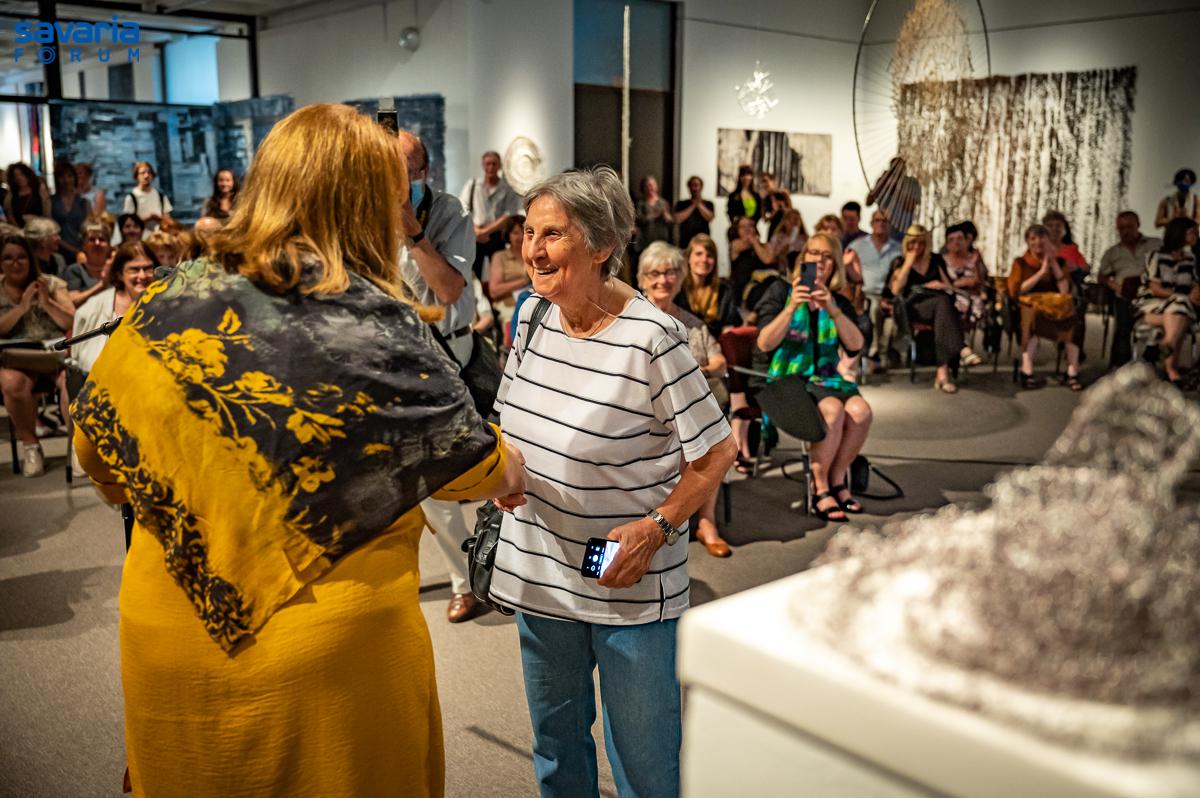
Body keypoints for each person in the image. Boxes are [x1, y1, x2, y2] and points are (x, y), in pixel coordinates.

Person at [70, 102, 527, 797]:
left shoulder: (168, 297)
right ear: (369, 204)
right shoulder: (375, 321)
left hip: (168, 633)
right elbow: (472, 463)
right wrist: (514, 468)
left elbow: (97, 453)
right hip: (329, 662)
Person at [492, 165, 736, 798]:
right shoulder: (532, 317)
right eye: (528, 232)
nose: (532, 250)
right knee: (556, 749)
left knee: (645, 767)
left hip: (624, 581)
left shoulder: (652, 339)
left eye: (552, 235)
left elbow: (717, 451)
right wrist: (500, 472)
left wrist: (657, 528)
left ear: (600, 246)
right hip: (539, 573)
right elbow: (508, 421)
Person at [395, 129, 484, 624]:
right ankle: (408, 577)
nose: (393, 182)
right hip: (389, 356)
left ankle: (465, 581)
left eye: (404, 173)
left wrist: (412, 232)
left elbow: (448, 290)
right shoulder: (363, 213)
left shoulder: (449, 213)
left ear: (423, 172)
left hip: (443, 352)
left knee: (436, 483)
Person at [755, 231, 871, 522]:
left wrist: (832, 308)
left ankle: (837, 479)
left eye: (828, 257)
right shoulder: (780, 291)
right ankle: (820, 488)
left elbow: (855, 345)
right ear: (803, 258)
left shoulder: (837, 301)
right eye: (814, 254)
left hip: (828, 379)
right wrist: (792, 306)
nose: (820, 261)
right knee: (832, 410)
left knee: (861, 411)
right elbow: (764, 343)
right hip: (788, 381)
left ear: (835, 266)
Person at [638, 241, 732, 558]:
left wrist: (699, 370)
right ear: (642, 278)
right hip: (647, 415)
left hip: (690, 414)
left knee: (709, 443)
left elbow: (719, 361)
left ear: (680, 278)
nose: (663, 280)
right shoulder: (634, 320)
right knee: (689, 442)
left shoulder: (693, 324)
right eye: (655, 273)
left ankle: (706, 521)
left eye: (670, 273)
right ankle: (664, 521)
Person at [0, 233, 75, 477]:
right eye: (8, 258)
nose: (16, 263)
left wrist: (47, 303)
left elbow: (72, 321)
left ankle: (77, 445)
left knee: (72, 379)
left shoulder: (51, 284)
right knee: (12, 381)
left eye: (21, 257)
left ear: (30, 259)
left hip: (54, 355)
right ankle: (31, 445)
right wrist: (22, 307)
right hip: (16, 359)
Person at [887, 224, 963, 393]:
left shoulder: (935, 260)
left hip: (938, 307)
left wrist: (939, 285)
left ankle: (942, 372)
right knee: (943, 305)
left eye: (921, 243)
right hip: (913, 307)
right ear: (907, 242)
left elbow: (950, 288)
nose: (917, 246)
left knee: (943, 304)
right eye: (913, 242)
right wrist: (908, 263)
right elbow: (896, 290)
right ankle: (962, 348)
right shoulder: (899, 261)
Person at [1007, 223, 1083, 391]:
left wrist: (1053, 263)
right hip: (1029, 305)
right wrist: (1041, 272)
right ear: (1028, 242)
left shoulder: (1060, 262)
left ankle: (1072, 371)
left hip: (1054, 305)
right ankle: (1027, 370)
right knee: (1032, 317)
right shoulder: (1021, 262)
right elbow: (1017, 290)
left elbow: (1064, 291)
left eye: (1042, 238)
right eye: (1033, 238)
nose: (1038, 242)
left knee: (1073, 319)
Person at [70, 241, 155, 374]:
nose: (142, 276)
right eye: (134, 269)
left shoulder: (168, 306)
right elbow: (78, 360)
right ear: (120, 274)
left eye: (148, 269)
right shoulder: (92, 309)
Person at [1134, 217, 1199, 384]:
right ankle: (1169, 368)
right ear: (1180, 234)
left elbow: (1193, 284)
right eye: (1192, 232)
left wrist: (1193, 293)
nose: (1196, 235)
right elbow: (1155, 289)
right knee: (1179, 315)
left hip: (1179, 308)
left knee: (1176, 321)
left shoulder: (1190, 259)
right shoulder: (1155, 256)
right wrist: (1181, 297)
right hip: (1154, 306)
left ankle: (1161, 360)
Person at [1098, 211, 1160, 368]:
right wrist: (1115, 286)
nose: (1125, 231)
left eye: (1129, 227)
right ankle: (1122, 363)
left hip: (1153, 293)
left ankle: (1151, 359)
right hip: (1125, 295)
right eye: (1121, 228)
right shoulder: (1112, 253)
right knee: (1123, 320)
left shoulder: (1155, 244)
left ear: (1138, 225)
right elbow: (1102, 276)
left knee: (1163, 318)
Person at [848, 209, 901, 369]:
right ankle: (874, 352)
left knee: (894, 315)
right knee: (875, 308)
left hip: (890, 295)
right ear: (871, 223)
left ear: (890, 225)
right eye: (877, 220)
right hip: (864, 295)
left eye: (884, 221)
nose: (881, 224)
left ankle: (884, 354)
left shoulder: (898, 248)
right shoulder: (857, 246)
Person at [461, 150, 523, 280]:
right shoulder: (473, 185)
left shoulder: (507, 188)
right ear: (483, 165)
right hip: (475, 235)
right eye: (488, 164)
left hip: (497, 236)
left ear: (499, 166)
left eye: (494, 164)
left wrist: (485, 231)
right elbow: (463, 208)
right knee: (472, 273)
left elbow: (509, 215)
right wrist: (476, 230)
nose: (491, 167)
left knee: (498, 272)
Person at [942, 222, 987, 367]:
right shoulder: (941, 261)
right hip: (949, 298)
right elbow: (942, 283)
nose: (956, 242)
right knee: (950, 306)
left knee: (966, 305)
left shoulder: (974, 258)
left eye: (960, 239)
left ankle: (961, 348)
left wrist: (973, 279)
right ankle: (961, 348)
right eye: (951, 239)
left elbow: (979, 281)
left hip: (971, 298)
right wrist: (958, 284)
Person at [488, 215, 531, 347]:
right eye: (515, 233)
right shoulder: (500, 256)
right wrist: (524, 281)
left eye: (524, 232)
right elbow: (494, 291)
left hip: (531, 298)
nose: (520, 237)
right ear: (508, 235)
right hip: (508, 304)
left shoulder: (533, 254)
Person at [729, 215, 776, 303]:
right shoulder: (735, 245)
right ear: (736, 231)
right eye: (743, 226)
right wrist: (754, 241)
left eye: (750, 226)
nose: (747, 229)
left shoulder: (766, 246)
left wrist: (756, 243)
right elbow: (747, 243)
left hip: (767, 287)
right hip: (745, 292)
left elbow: (767, 259)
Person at [64, 222, 112, 307]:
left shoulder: (117, 270)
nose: (97, 243)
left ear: (109, 246)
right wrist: (101, 286)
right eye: (92, 240)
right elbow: (73, 302)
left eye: (102, 239)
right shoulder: (74, 270)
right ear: (83, 246)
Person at [50, 160, 91, 260]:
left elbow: (89, 228)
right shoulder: (51, 202)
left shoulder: (83, 202)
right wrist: (70, 248)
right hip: (57, 249)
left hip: (81, 249)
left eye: (69, 176)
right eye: (62, 177)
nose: (66, 180)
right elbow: (49, 230)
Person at [122, 161, 173, 232]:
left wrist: (159, 217)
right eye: (142, 173)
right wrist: (147, 218)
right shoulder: (131, 198)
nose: (146, 176)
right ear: (137, 176)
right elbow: (128, 222)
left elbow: (168, 219)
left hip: (159, 234)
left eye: (149, 173)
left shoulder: (161, 196)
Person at [3, 163, 51, 229]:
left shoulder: (39, 191)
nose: (19, 178)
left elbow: (47, 211)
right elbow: (10, 216)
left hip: (40, 229)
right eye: (15, 176)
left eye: (21, 174)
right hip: (19, 231)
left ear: (27, 175)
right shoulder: (11, 196)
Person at [634, 174, 674, 253]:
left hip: (661, 239)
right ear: (644, 188)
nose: (650, 187)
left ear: (656, 186)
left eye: (652, 185)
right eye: (648, 185)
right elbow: (638, 220)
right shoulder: (640, 204)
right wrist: (655, 215)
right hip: (645, 240)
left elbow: (671, 222)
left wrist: (668, 218)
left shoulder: (663, 202)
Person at [673, 175, 715, 249]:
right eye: (692, 185)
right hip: (685, 241)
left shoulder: (708, 203)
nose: (694, 188)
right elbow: (677, 219)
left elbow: (710, 218)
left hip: (703, 240)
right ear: (689, 188)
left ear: (701, 187)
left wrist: (699, 204)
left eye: (696, 185)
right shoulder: (681, 204)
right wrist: (693, 205)